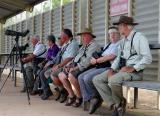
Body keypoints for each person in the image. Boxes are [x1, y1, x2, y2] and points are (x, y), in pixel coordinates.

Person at [93, 16, 152, 116]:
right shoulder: (123, 41)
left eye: (120, 26)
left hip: (135, 72)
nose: (118, 28)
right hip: (122, 70)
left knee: (113, 80)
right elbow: (118, 58)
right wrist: (112, 69)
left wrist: (133, 67)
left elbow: (147, 58)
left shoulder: (139, 38)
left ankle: (118, 104)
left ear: (126, 26)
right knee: (97, 79)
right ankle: (116, 104)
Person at [78, 26, 120, 114]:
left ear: (119, 34)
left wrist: (96, 60)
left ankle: (97, 98)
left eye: (114, 33)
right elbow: (103, 55)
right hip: (100, 66)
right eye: (110, 34)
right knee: (81, 77)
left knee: (87, 78)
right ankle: (91, 99)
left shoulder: (119, 44)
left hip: (110, 67)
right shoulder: (108, 45)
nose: (112, 35)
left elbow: (111, 56)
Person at [58, 27, 101, 107]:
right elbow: (76, 57)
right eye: (82, 36)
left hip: (88, 67)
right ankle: (71, 95)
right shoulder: (83, 46)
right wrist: (69, 65)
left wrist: (75, 68)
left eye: (84, 36)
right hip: (78, 65)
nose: (82, 38)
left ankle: (79, 96)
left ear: (90, 36)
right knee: (61, 75)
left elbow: (88, 61)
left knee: (71, 75)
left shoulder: (94, 45)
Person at [40, 29, 79, 100]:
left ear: (66, 36)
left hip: (68, 65)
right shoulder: (66, 44)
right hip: (61, 64)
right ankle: (62, 90)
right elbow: (58, 57)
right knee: (46, 73)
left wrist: (58, 65)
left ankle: (64, 91)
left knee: (51, 74)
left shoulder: (73, 44)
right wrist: (54, 64)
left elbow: (70, 58)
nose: (60, 37)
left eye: (61, 35)